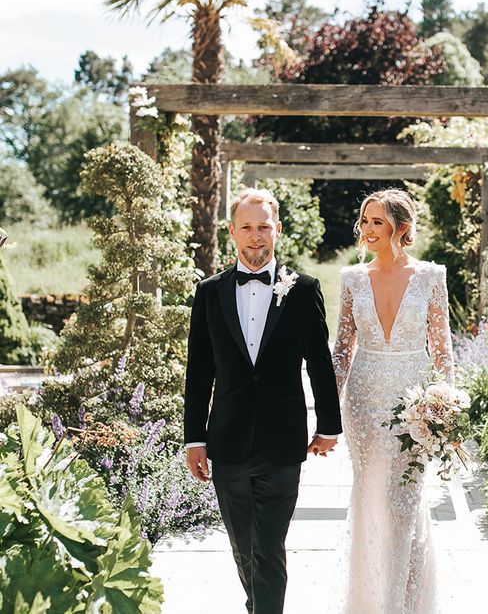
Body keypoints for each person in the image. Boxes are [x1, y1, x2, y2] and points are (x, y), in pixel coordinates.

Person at [184, 187, 342, 614]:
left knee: (268, 545)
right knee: (243, 548)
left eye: (264, 227)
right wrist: (193, 439)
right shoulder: (209, 293)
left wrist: (329, 425)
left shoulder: (304, 289)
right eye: (247, 227)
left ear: (278, 230)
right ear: (233, 231)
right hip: (228, 440)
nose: (256, 236)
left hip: (282, 442)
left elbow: (319, 363)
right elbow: (199, 372)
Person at [332, 188, 455, 614]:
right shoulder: (352, 279)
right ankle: (368, 602)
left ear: (401, 228)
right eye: (364, 221)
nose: (367, 230)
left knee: (404, 501)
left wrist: (446, 407)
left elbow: (442, 349)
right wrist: (331, 409)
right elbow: (341, 350)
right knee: (370, 498)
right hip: (362, 404)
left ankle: (403, 603)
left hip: (413, 404)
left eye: (377, 222)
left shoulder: (429, 277)